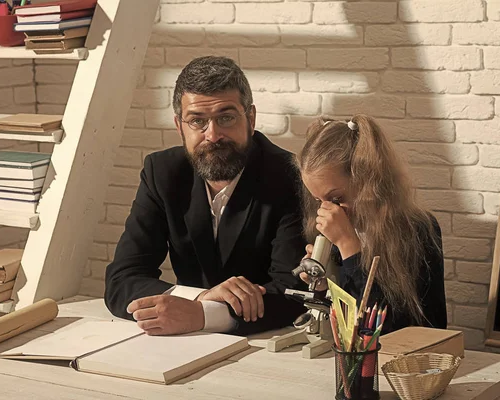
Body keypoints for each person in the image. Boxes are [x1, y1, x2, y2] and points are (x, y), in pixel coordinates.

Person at [104, 56, 307, 336]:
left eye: (226, 117)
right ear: (179, 126)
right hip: (184, 341)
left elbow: (294, 292)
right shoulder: (161, 172)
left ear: (250, 118)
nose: (213, 135)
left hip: (267, 342)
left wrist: (204, 316)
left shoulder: (290, 176)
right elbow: (121, 280)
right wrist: (199, 301)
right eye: (197, 121)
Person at [295, 114, 447, 334]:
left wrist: (350, 247)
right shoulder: (332, 229)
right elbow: (342, 322)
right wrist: (322, 286)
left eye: (336, 199)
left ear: (367, 180)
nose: (328, 211)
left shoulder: (418, 230)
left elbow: (383, 328)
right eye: (319, 200)